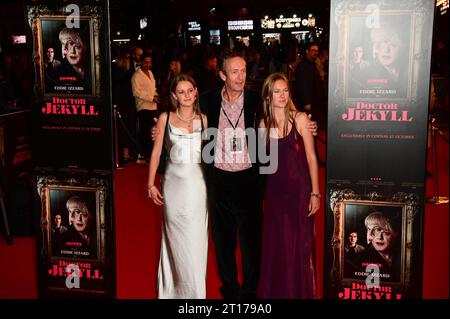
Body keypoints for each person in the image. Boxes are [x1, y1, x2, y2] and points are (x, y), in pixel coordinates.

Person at [152, 52, 318, 299]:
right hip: (219, 180)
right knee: (223, 244)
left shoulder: (255, 99)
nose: (241, 76)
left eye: (243, 70)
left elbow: (282, 104)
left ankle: (250, 291)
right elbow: (183, 113)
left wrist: (305, 121)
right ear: (222, 75)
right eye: (235, 72)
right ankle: (229, 290)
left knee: (252, 245)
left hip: (249, 180)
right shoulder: (207, 101)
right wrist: (159, 126)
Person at [258, 72, 320, 298]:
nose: (282, 95)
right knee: (277, 247)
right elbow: (262, 165)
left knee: (298, 247)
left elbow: (312, 158)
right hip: (275, 195)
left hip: (299, 193)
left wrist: (315, 193)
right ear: (268, 96)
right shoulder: (263, 124)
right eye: (277, 91)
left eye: (285, 90)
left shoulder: (300, 118)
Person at [147, 74, 208, 299]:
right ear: (174, 96)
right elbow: (155, 153)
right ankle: (172, 293)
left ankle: (195, 295)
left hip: (198, 188)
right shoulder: (165, 118)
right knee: (175, 241)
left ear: (196, 92)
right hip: (173, 188)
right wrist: (150, 184)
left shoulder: (205, 119)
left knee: (196, 243)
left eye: (190, 90)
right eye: (181, 92)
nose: (186, 95)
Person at [132, 53, 160, 164]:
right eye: (146, 62)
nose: (148, 64)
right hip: (143, 107)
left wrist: (156, 95)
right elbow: (136, 92)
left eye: (150, 62)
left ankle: (150, 155)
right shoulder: (136, 75)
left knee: (153, 132)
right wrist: (151, 98)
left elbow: (153, 89)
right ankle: (145, 155)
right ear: (141, 62)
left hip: (153, 106)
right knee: (146, 132)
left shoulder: (150, 72)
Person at [359, 211, 400, 282]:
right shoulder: (358, 260)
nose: (370, 234)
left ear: (396, 234)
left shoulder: (405, 255)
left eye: (378, 230)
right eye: (368, 229)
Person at [53, 28, 91, 92]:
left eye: (76, 46)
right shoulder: (57, 72)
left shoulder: (94, 67)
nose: (72, 51)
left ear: (85, 47)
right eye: (63, 44)